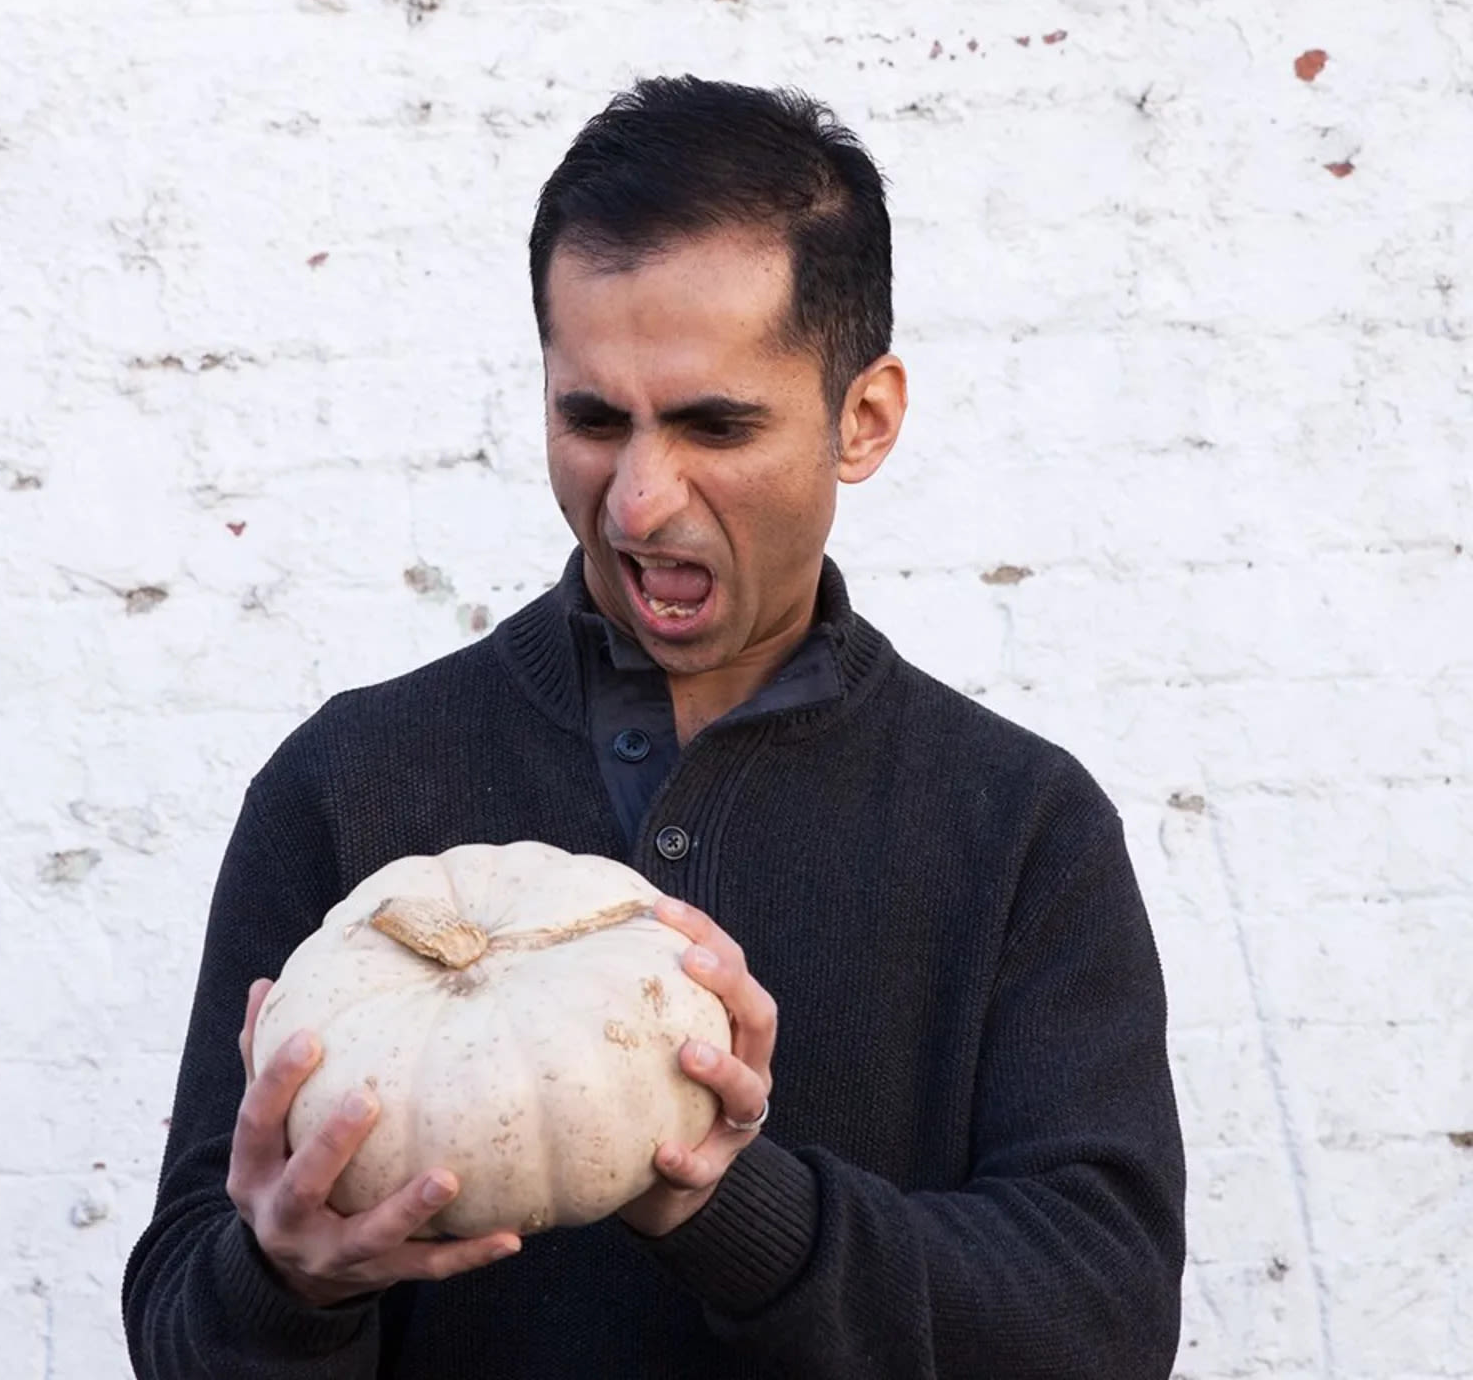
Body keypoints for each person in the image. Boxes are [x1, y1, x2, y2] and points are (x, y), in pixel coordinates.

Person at [123, 75, 1186, 1378]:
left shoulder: (1018, 824)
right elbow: (181, 1327)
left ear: (865, 418)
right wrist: (284, 1278)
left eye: (714, 424)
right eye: (591, 419)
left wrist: (726, 1203)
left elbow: (1101, 1327)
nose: (636, 501)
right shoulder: (350, 783)